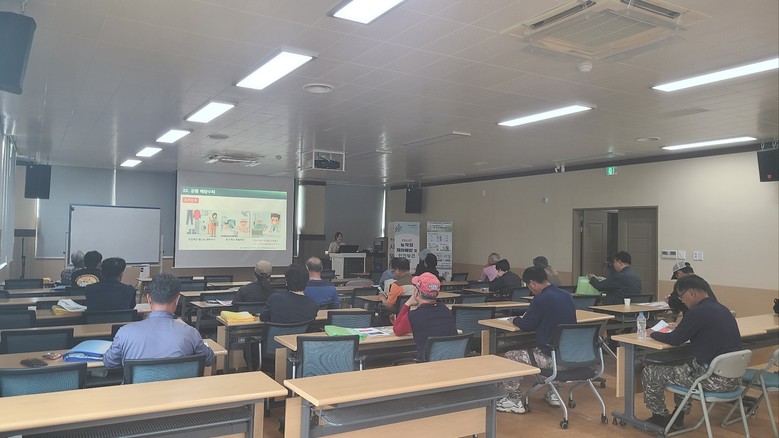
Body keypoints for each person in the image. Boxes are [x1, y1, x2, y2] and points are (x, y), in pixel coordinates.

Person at [641, 274, 742, 429]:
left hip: (713, 381)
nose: (682, 301)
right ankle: (677, 417)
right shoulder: (722, 309)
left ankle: (659, 418)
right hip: (733, 380)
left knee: (650, 372)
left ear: (691, 293)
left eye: (681, 296)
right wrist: (682, 327)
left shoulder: (697, 312)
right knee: (685, 368)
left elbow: (675, 340)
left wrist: (653, 333)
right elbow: (701, 329)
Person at [498, 266, 577, 414]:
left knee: (509, 357)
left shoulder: (540, 299)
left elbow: (527, 325)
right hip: (569, 356)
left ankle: (513, 400)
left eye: (528, 286)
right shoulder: (567, 296)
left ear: (533, 283)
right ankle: (553, 393)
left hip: (551, 358)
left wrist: (515, 319)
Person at [103, 273, 215, 368]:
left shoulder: (125, 332)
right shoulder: (190, 333)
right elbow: (210, 359)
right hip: (177, 388)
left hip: (138, 388)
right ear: (177, 299)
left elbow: (109, 362)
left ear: (148, 299)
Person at [393, 273, 457, 361]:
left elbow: (397, 330)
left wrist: (407, 303)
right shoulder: (446, 310)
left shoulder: (413, 316)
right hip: (450, 363)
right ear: (437, 293)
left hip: (427, 365)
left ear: (417, 292)